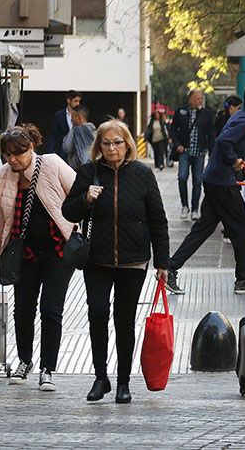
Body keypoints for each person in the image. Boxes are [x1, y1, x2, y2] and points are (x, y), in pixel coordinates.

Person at [62, 120, 170, 405]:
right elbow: (68, 211)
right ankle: (101, 377)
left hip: (133, 261)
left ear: (128, 145)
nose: (112, 148)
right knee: (97, 314)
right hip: (97, 259)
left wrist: (163, 263)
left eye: (117, 142)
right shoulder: (88, 172)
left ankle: (123, 382)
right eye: (106, 143)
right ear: (99, 146)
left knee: (125, 321)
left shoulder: (143, 174)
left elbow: (158, 220)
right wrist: (85, 198)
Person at [0, 124, 77, 392]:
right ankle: (24, 361)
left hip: (59, 251)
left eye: (19, 153)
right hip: (23, 253)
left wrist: (78, 228)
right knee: (23, 310)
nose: (13, 160)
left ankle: (48, 369)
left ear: (31, 148)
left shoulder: (51, 164)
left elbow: (79, 193)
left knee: (51, 310)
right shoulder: (0, 177)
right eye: (8, 155)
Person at [166, 81, 245, 296]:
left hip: (215, 178)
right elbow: (223, 141)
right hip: (222, 182)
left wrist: (239, 160)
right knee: (243, 227)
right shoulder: (244, 120)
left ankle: (170, 268)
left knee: (203, 228)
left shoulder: (243, 117)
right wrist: (234, 160)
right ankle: (242, 280)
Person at [171, 90, 214, 220]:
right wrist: (177, 143)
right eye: (197, 98)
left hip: (199, 152)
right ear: (190, 99)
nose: (200, 101)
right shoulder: (181, 112)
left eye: (201, 98)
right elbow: (173, 129)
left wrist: (212, 153)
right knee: (182, 177)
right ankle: (185, 205)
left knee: (197, 181)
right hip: (185, 151)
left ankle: (195, 208)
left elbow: (211, 134)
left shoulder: (206, 114)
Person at [48, 90, 82, 161]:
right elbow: (53, 133)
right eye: (75, 101)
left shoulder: (81, 115)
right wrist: (50, 151)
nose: (78, 104)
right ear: (69, 100)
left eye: (79, 101)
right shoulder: (59, 115)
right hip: (62, 152)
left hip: (77, 153)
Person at [62, 105, 96, 170]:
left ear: (80, 118)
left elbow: (67, 148)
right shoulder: (93, 129)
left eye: (72, 117)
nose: (71, 120)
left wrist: (72, 130)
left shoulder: (77, 130)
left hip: (80, 169)